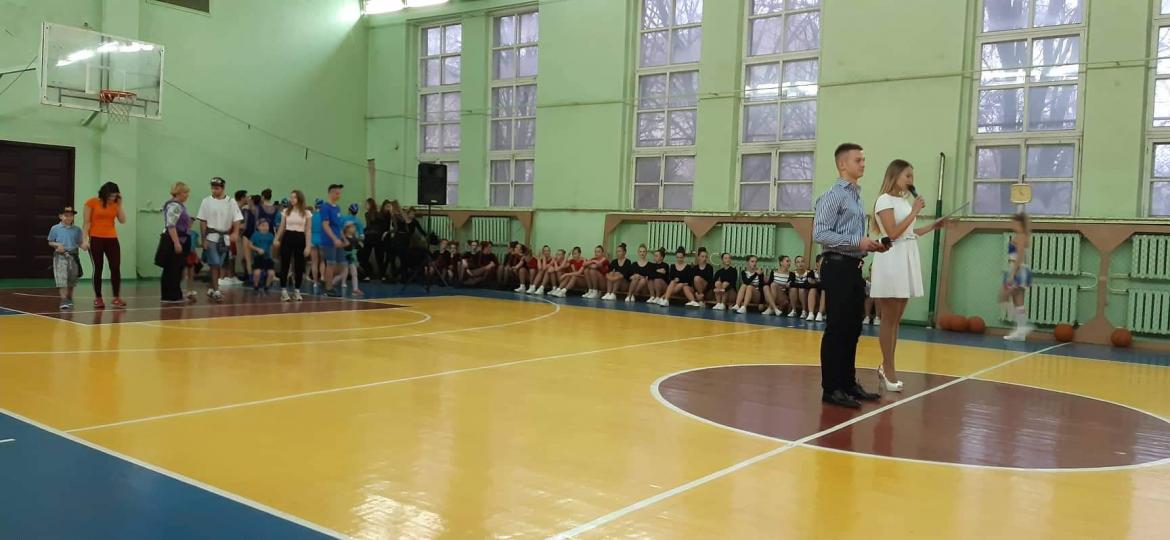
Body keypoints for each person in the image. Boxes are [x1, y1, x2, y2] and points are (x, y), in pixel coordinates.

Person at [813, 143, 889, 409]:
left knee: (853, 327)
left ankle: (847, 383)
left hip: (853, 266)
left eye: (864, 159)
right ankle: (831, 388)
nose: (863, 163)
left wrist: (870, 245)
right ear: (842, 164)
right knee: (837, 327)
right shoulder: (833, 195)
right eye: (858, 160)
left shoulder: (856, 196)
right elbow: (820, 233)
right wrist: (858, 241)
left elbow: (853, 238)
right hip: (837, 266)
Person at [870, 159, 947, 391]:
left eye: (912, 176)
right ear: (894, 176)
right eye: (908, 176)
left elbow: (909, 233)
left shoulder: (903, 201)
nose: (911, 180)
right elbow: (893, 233)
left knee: (896, 319)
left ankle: (887, 366)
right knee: (888, 318)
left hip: (906, 257)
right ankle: (888, 369)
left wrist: (933, 226)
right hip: (891, 258)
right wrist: (915, 211)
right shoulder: (884, 200)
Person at [196, 177, 244, 303]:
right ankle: (217, 290)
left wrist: (235, 232)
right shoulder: (206, 201)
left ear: (222, 188)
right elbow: (203, 221)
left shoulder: (231, 202)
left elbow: (237, 218)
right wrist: (204, 238)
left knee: (219, 264)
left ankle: (212, 287)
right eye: (212, 188)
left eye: (217, 188)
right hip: (211, 236)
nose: (214, 190)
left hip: (225, 237)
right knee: (215, 263)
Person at [81, 181, 127, 309]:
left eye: (115, 196)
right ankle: (98, 298)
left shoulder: (115, 204)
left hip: (112, 238)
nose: (112, 198)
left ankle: (116, 298)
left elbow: (122, 220)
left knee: (115, 267)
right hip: (95, 238)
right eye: (111, 196)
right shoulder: (91, 202)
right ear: (104, 193)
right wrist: (84, 240)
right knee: (98, 268)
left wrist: (120, 205)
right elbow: (86, 222)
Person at [273, 190, 312, 302]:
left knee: (299, 266)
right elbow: (282, 227)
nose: (292, 199)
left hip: (300, 238)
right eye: (291, 197)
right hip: (288, 237)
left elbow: (308, 230)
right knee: (285, 264)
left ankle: (297, 290)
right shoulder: (286, 211)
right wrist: (276, 239)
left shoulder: (307, 213)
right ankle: (283, 290)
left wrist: (308, 246)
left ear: (299, 198)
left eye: (294, 197)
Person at [158, 182, 192, 303]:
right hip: (175, 239)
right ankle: (171, 295)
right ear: (178, 193)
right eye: (185, 192)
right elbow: (171, 225)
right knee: (173, 268)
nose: (187, 195)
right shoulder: (175, 206)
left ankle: (175, 294)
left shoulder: (180, 206)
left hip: (181, 238)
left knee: (177, 268)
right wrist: (177, 243)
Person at [1001, 213, 1033, 341]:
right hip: (1016, 269)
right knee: (1017, 302)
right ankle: (1020, 331)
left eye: (1014, 222)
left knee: (1003, 297)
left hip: (1018, 270)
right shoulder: (1022, 236)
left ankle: (1022, 329)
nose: (1012, 224)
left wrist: (1012, 274)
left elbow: (1019, 256)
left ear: (1019, 224)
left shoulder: (1021, 237)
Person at [48, 206, 83, 310]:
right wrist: (57, 244)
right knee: (61, 278)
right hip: (60, 256)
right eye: (66, 215)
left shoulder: (77, 230)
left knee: (72, 279)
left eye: (71, 216)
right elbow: (50, 242)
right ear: (60, 216)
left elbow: (80, 242)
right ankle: (63, 300)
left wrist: (84, 245)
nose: (68, 217)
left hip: (73, 256)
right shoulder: (55, 228)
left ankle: (69, 297)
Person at [318, 185, 348, 297]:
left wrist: (344, 239)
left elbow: (338, 227)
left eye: (340, 193)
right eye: (337, 193)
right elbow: (325, 225)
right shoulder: (325, 207)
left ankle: (326, 281)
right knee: (330, 264)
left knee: (342, 265)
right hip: (329, 241)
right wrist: (334, 238)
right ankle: (328, 288)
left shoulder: (337, 208)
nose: (339, 195)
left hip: (338, 241)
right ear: (330, 193)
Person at [249, 219, 277, 293]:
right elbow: (250, 245)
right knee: (257, 273)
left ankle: (267, 287)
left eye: (267, 226)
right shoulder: (255, 235)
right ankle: (256, 287)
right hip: (258, 257)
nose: (265, 227)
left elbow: (274, 244)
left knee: (271, 273)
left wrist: (276, 243)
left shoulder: (270, 235)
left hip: (267, 257)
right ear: (258, 227)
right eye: (263, 226)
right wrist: (257, 249)